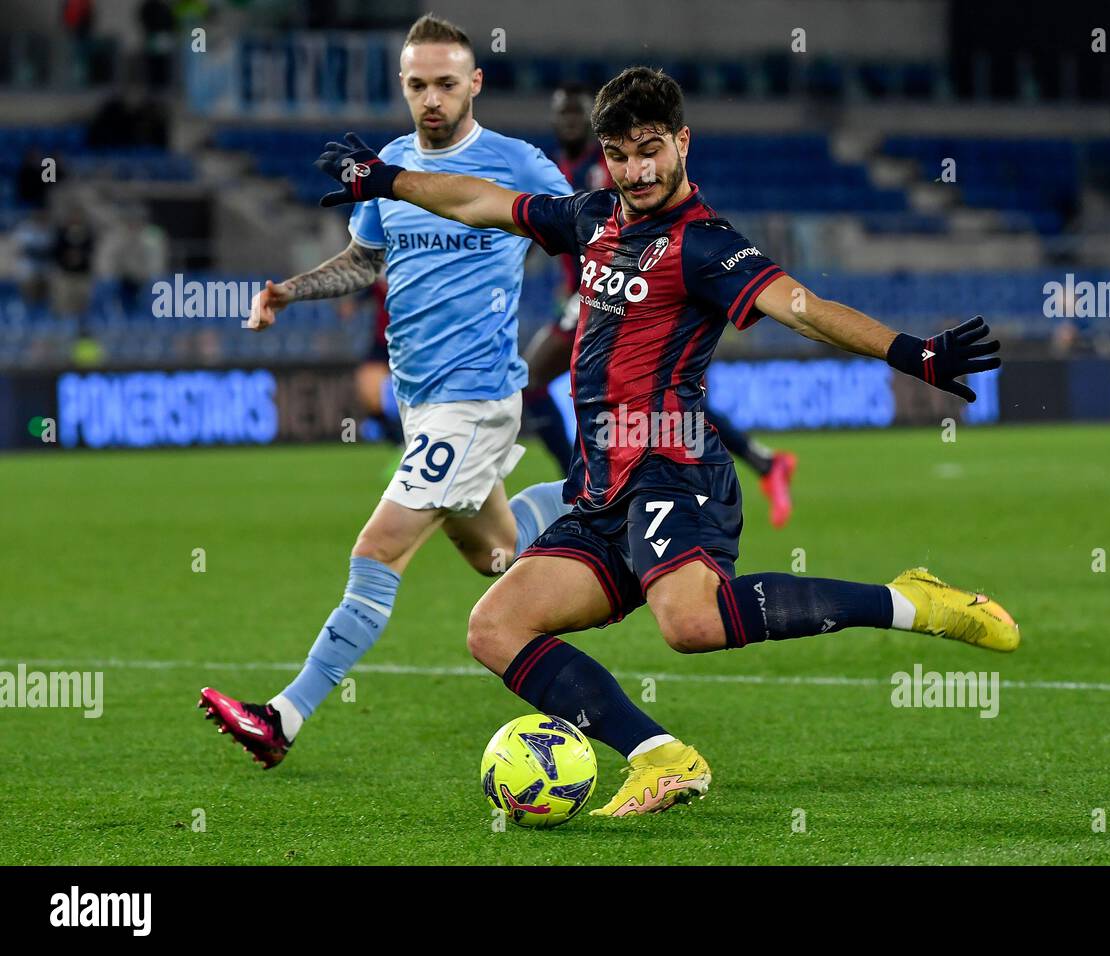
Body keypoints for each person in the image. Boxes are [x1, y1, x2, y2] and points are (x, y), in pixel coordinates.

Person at [313, 66, 1018, 817]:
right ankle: (662, 758)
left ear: (682, 141)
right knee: (494, 628)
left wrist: (913, 353)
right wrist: (389, 179)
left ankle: (912, 603)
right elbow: (483, 202)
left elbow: (802, 307)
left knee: (690, 624)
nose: (635, 170)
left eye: (650, 149)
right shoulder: (592, 217)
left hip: (673, 472)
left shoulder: (706, 245)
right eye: (619, 153)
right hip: (600, 489)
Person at [198, 16, 575, 769]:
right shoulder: (390, 168)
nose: (429, 98)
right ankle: (605, 499)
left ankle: (283, 716)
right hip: (422, 401)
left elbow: (590, 232)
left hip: (477, 398)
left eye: (444, 83)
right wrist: (291, 290)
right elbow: (365, 260)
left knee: (379, 550)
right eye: (415, 85)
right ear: (402, 87)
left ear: (475, 83)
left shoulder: (519, 164)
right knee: (499, 556)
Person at [522, 84, 799, 527]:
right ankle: (764, 461)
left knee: (534, 378)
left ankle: (576, 488)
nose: (569, 121)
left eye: (577, 113)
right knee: (657, 405)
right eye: (562, 114)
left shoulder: (611, 163)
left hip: (621, 294)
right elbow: (561, 227)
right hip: (588, 296)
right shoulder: (562, 166)